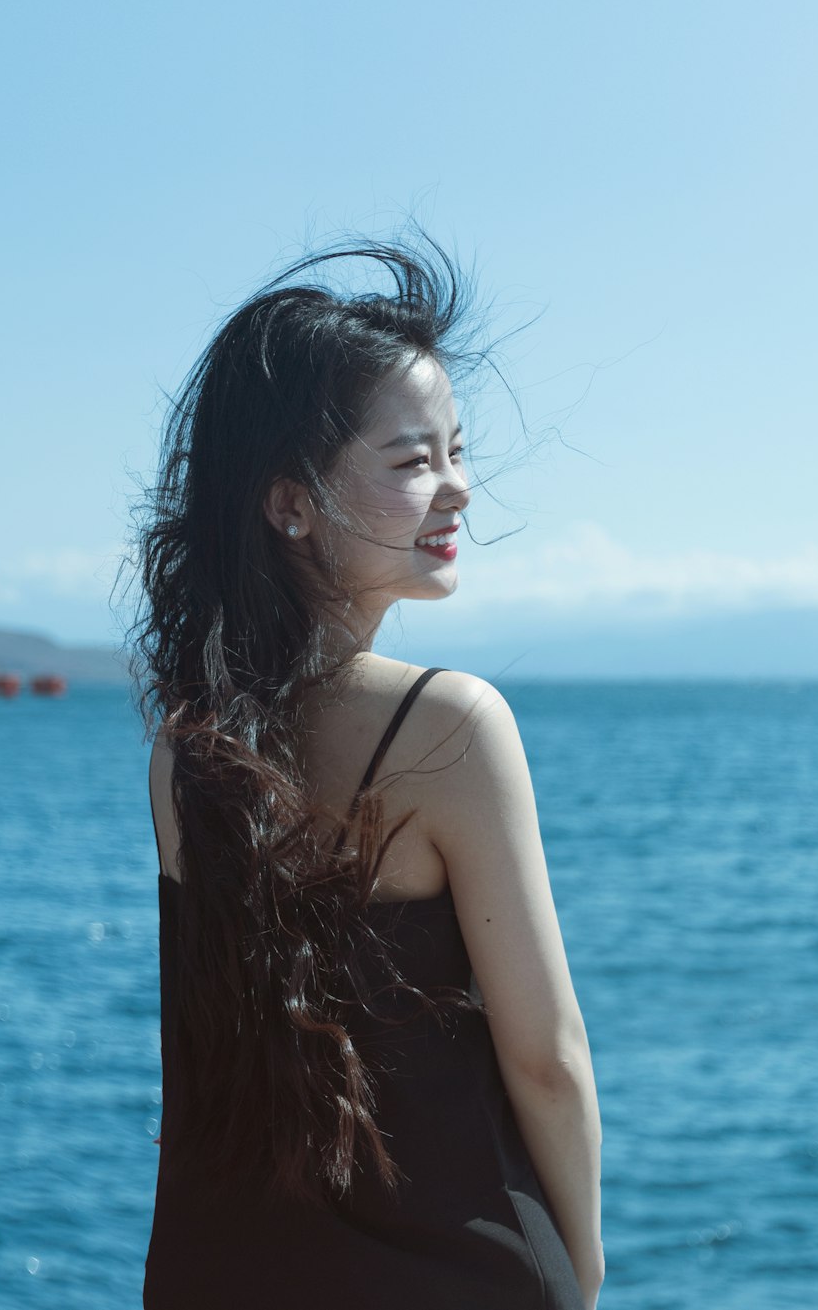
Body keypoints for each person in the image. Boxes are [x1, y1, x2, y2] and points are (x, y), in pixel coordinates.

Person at [133, 234, 604, 1309]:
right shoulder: (450, 727)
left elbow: (201, 1075)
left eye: (455, 450)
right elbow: (548, 1058)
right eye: (411, 461)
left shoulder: (184, 751)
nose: (458, 491)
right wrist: (582, 1265)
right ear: (289, 502)